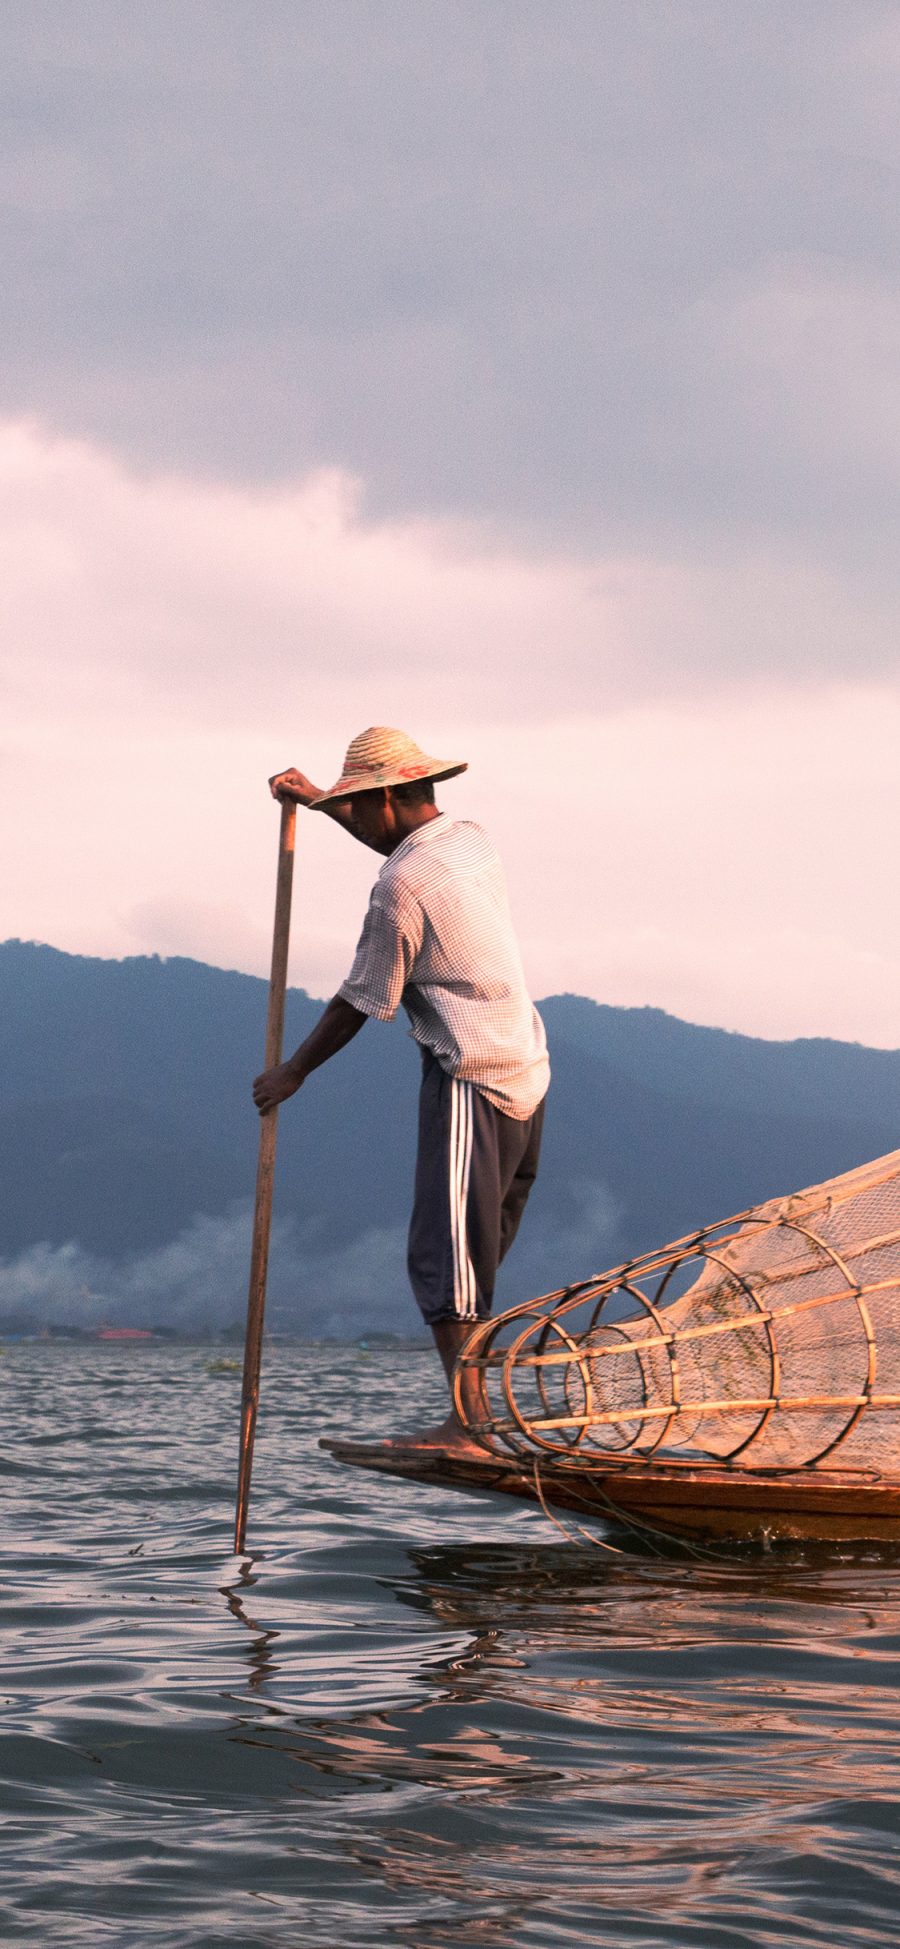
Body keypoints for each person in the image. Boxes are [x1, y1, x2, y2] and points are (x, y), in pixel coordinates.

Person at [252, 725, 550, 1454]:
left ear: (386, 799)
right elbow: (393, 839)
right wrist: (321, 802)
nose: (352, 817)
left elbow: (361, 999)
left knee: (442, 1258)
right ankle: (483, 1411)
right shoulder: (468, 840)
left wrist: (291, 1072)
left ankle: (470, 1427)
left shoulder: (399, 890)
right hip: (530, 1070)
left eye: (357, 805)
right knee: (472, 1256)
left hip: (469, 1076)